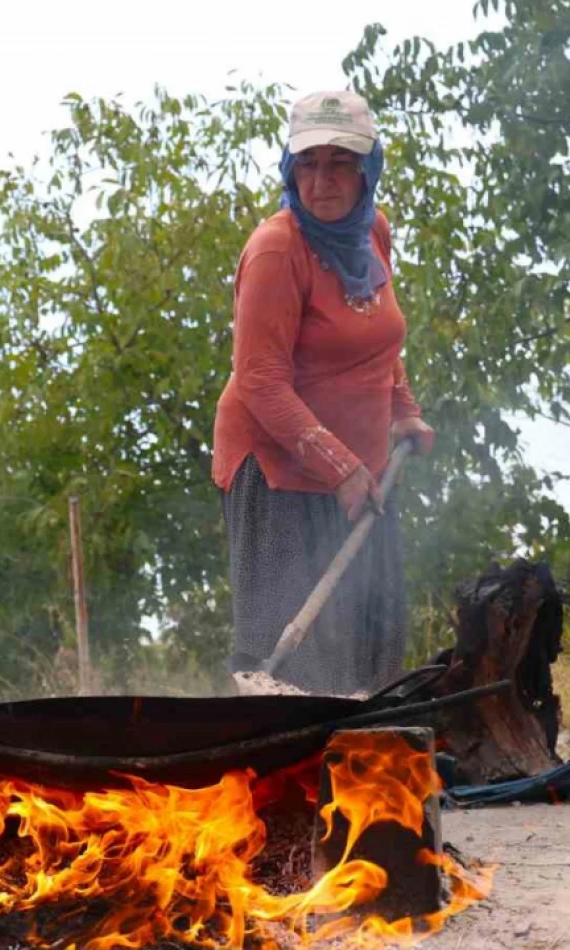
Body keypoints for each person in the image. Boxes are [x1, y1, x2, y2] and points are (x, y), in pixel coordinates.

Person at [211, 90, 436, 696]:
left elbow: (379, 336)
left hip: (359, 467)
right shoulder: (277, 250)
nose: (322, 181)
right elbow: (259, 380)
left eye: (340, 163)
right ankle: (293, 776)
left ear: (368, 169)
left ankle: (369, 775)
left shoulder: (373, 234)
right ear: (290, 170)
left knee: (371, 633)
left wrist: (403, 411)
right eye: (307, 164)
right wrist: (339, 467)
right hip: (280, 467)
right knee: (293, 662)